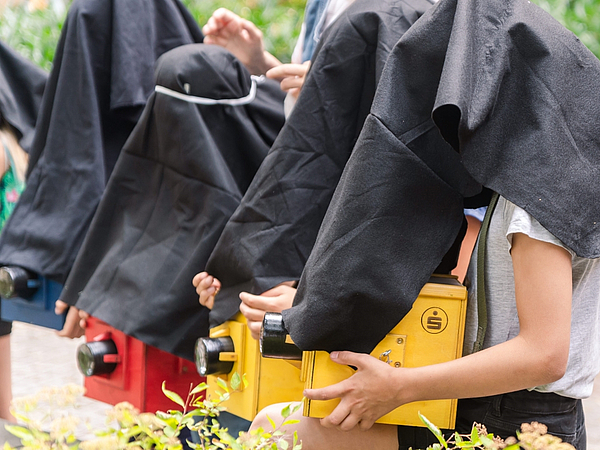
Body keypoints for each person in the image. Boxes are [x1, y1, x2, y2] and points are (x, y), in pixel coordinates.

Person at [245, 0, 600, 447]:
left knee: (281, 430)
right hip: (480, 399)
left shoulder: (542, 186)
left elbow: (543, 354)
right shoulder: (526, 169)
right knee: (278, 425)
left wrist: (399, 388)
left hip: (515, 419)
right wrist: (312, 306)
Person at [194, 0, 434, 338]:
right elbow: (307, 132)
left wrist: (311, 307)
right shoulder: (321, 6)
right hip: (323, 216)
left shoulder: (408, 12)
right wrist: (263, 64)